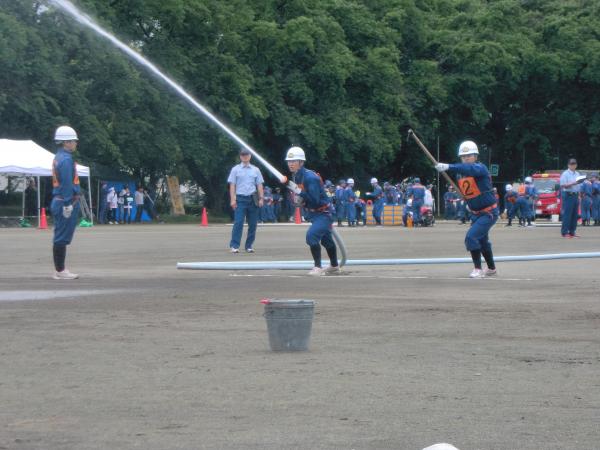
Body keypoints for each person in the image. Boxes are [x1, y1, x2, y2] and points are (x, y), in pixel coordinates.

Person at [435, 140, 498, 278]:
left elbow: (469, 169)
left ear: (475, 156)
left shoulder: (480, 168)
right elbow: (468, 191)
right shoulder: (460, 174)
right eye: (463, 157)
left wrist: (448, 166)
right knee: (482, 240)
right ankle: (491, 268)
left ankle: (478, 269)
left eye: (469, 156)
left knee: (471, 237)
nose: (466, 158)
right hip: (475, 213)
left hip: (488, 212)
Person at [285, 146, 339, 276]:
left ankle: (318, 267)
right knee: (327, 240)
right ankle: (334, 265)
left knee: (311, 236)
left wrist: (298, 192)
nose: (290, 164)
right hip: (314, 214)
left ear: (301, 162)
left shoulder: (310, 178)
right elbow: (303, 197)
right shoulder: (297, 176)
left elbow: (314, 200)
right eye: (289, 161)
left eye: (294, 161)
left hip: (323, 213)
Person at [50, 125, 81, 280]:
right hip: (64, 201)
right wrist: (68, 203)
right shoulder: (66, 160)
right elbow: (67, 184)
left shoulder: (58, 157)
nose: (75, 143)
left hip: (58, 200)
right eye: (73, 141)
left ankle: (60, 269)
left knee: (60, 235)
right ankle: (60, 270)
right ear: (66, 142)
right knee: (62, 236)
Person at [228, 148, 264, 253]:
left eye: (246, 155)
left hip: (253, 198)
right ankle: (234, 245)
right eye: (243, 155)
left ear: (250, 156)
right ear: (240, 156)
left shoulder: (256, 170)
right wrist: (232, 199)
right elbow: (232, 185)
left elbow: (259, 184)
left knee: (253, 224)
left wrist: (261, 198)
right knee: (238, 222)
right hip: (240, 198)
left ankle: (249, 245)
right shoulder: (235, 169)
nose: (245, 156)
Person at [559, 158, 582, 238]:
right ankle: (565, 232)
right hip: (568, 194)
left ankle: (572, 231)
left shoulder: (577, 174)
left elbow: (579, 185)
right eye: (571, 164)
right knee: (567, 214)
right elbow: (562, 185)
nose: (573, 165)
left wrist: (579, 195)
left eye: (574, 164)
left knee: (575, 215)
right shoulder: (565, 174)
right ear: (568, 165)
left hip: (575, 195)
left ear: (576, 165)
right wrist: (573, 183)